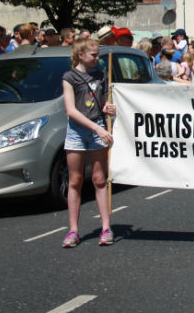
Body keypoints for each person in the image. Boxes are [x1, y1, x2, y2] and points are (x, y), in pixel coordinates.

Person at [61, 37, 117, 247]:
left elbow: (101, 103)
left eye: (97, 54)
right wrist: (96, 128)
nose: (97, 58)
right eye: (93, 55)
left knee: (99, 179)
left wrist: (108, 108)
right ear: (80, 55)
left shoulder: (100, 75)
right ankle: (73, 230)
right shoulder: (69, 77)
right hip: (78, 131)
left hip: (96, 129)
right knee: (75, 181)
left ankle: (105, 227)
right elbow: (71, 110)